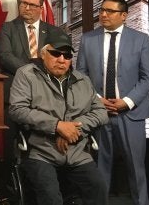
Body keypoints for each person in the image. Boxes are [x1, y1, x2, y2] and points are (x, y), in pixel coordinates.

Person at [9, 31, 109, 205]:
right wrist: (57, 126)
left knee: (98, 189)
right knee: (51, 197)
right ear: (43, 54)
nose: (61, 60)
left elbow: (101, 112)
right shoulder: (26, 75)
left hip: (77, 152)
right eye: (56, 54)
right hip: (41, 151)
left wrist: (72, 129)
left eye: (67, 55)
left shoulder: (82, 80)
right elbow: (18, 110)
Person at [76, 0, 149, 205]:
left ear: (124, 15)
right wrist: (97, 100)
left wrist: (126, 101)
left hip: (131, 113)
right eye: (101, 10)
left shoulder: (141, 40)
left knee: (136, 168)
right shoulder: (88, 39)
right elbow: (80, 76)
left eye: (109, 11)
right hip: (99, 112)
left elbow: (148, 77)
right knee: (101, 168)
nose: (103, 14)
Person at [0, 0, 65, 198]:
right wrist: (32, 74)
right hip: (13, 96)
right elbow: (5, 56)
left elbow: (58, 60)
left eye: (31, 5)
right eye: (23, 3)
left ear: (41, 8)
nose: (26, 8)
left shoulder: (53, 32)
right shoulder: (8, 28)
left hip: (45, 97)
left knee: (42, 148)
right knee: (9, 149)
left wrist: (38, 79)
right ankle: (9, 193)